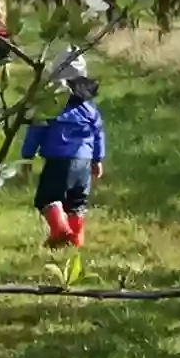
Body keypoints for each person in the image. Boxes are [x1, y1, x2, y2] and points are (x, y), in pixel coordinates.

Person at [20, 74, 105, 248]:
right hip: (84, 163)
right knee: (76, 204)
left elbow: (36, 132)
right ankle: (75, 241)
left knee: (47, 198)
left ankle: (61, 231)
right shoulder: (90, 110)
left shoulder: (51, 109)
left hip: (58, 161)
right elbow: (98, 135)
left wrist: (27, 156)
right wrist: (97, 160)